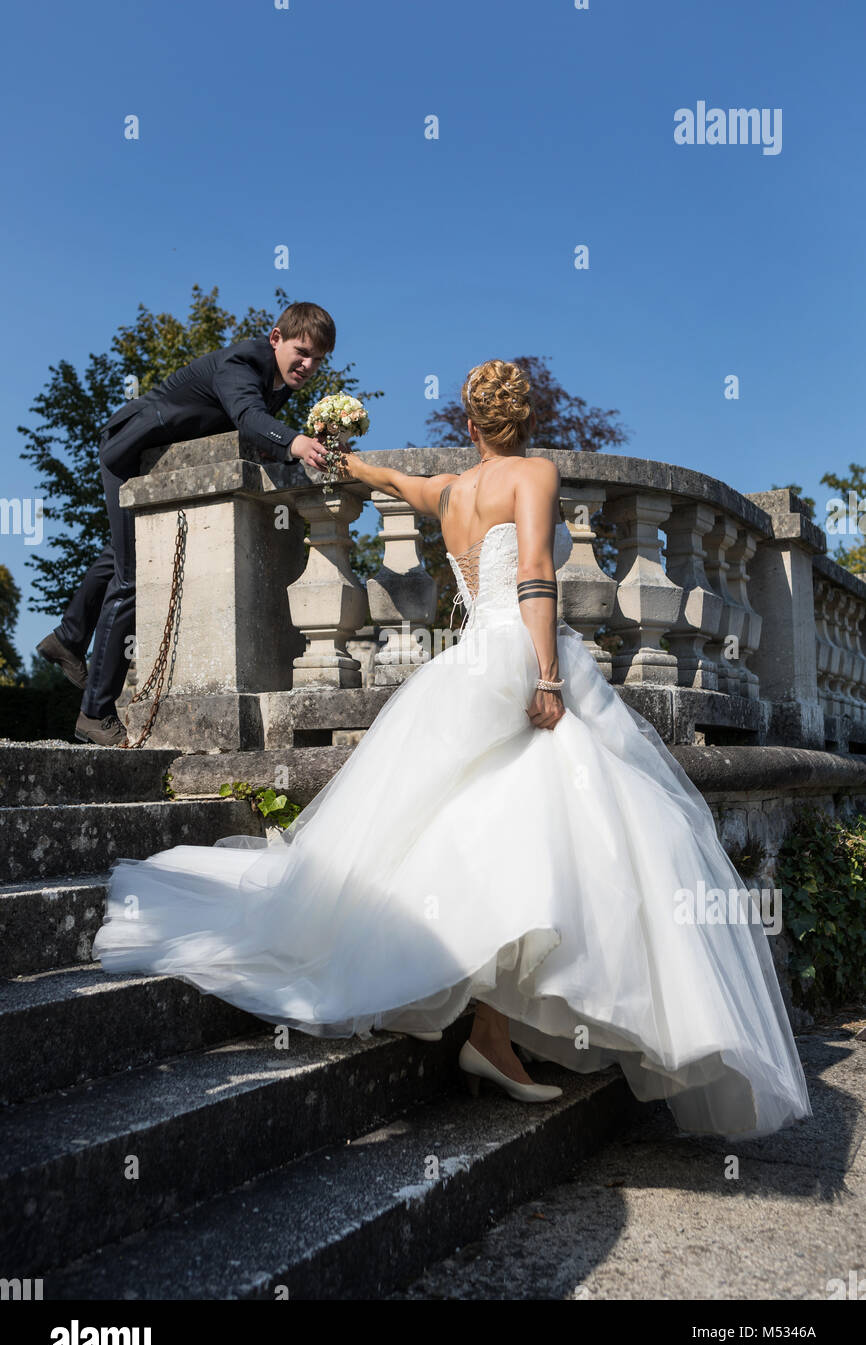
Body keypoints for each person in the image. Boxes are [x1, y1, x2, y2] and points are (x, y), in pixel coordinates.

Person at [92, 359, 813, 1137]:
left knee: (495, 822)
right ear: (524, 423)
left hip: (468, 659)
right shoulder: (532, 475)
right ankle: (501, 1028)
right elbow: (536, 573)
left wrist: (338, 454)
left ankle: (493, 1031)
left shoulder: (451, 492)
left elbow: (388, 481)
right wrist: (546, 676)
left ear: (469, 427)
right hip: (519, 656)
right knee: (566, 821)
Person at [37, 302, 335, 746]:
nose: (308, 365)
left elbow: (250, 429)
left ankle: (67, 637)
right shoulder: (242, 364)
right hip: (129, 453)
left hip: (155, 462)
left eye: (318, 359)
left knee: (120, 552)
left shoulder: (277, 380)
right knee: (135, 577)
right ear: (276, 338)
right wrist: (293, 440)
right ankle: (94, 714)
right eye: (302, 351)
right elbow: (249, 419)